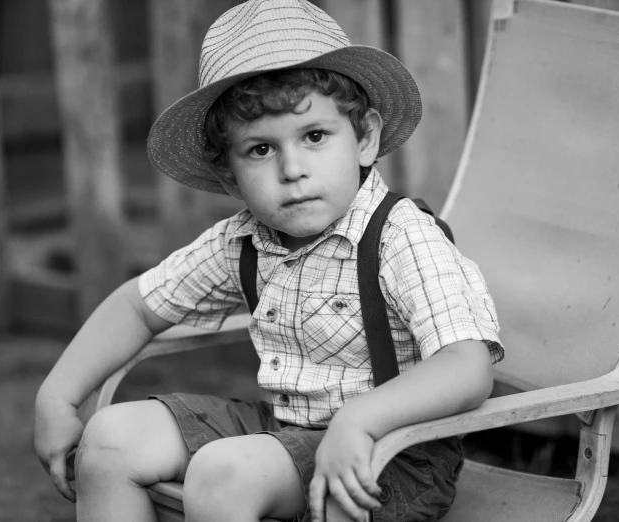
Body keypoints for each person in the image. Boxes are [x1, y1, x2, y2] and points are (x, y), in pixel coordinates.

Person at [34, 1, 504, 521]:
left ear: (365, 138)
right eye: (260, 149)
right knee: (109, 440)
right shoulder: (244, 240)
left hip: (392, 457)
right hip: (287, 433)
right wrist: (57, 397)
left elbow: (468, 367)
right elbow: (136, 307)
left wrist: (361, 420)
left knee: (223, 474)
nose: (292, 169)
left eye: (315, 136)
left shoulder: (401, 238)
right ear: (229, 176)